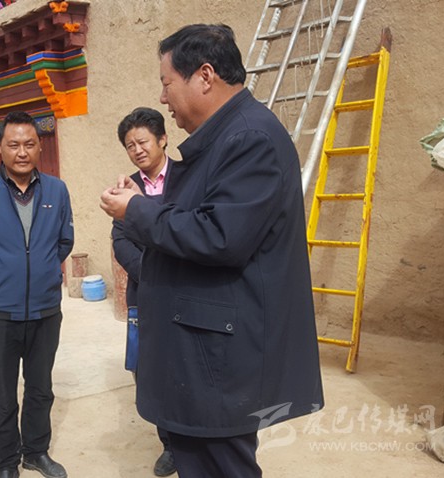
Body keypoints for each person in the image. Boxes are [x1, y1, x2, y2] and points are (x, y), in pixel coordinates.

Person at [100, 24, 324, 477]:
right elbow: (200, 213)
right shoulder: (225, 138)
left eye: (167, 83)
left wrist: (137, 211)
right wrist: (142, 203)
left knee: (222, 466)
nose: (163, 98)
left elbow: (220, 235)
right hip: (203, 347)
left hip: (220, 356)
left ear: (204, 76)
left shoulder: (250, 138)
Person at [0, 111, 74, 478]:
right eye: (13, 144)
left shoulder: (57, 190)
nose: (22, 152)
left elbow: (65, 240)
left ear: (40, 147)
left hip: (45, 310)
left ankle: (35, 452)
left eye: (29, 144)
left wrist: (42, 274)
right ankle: (6, 461)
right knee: (3, 394)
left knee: (40, 388)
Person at [111, 107, 177, 477]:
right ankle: (169, 444)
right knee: (150, 371)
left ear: (163, 139)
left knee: (188, 367)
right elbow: (121, 240)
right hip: (146, 293)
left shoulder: (187, 178)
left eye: (143, 141)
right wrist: (150, 273)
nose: (137, 150)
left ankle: (192, 439)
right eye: (129, 145)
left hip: (187, 291)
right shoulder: (126, 190)